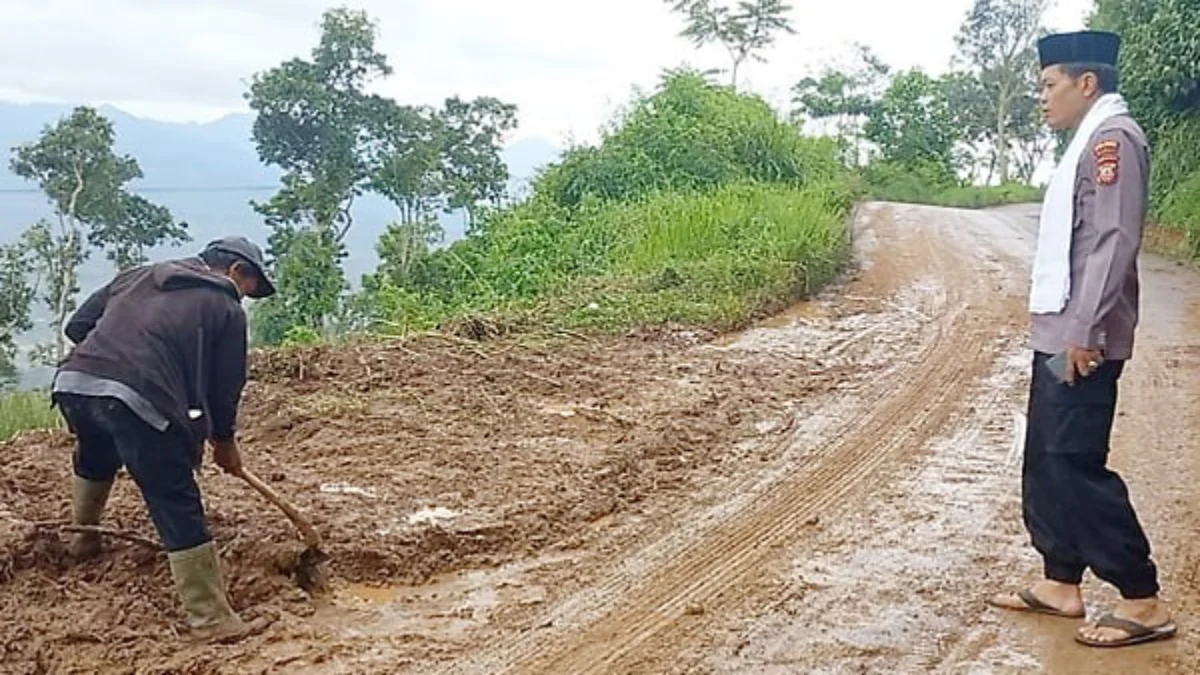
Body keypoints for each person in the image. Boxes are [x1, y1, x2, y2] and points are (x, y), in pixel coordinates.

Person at [987, 30, 1176, 648]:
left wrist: (1087, 329)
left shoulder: (1112, 142)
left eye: (1048, 85)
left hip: (1083, 333)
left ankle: (1141, 600)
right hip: (1061, 325)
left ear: (1086, 83)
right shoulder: (1088, 141)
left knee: (1072, 463)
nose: (1042, 98)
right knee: (1044, 458)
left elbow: (1113, 242)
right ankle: (1060, 580)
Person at [51, 236, 276, 644]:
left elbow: (78, 326)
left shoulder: (138, 276)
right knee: (174, 496)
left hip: (74, 384)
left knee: (96, 454)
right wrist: (223, 441)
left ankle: (81, 539)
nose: (244, 297)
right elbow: (226, 386)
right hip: (137, 397)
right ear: (236, 272)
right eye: (248, 288)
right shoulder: (225, 306)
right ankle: (211, 620)